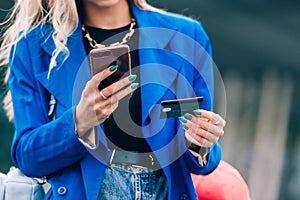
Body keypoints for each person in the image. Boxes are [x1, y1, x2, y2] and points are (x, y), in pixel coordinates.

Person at [0, 0, 226, 199]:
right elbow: (28, 156)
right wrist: (79, 121)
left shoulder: (187, 35)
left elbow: (203, 158)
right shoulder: (32, 45)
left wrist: (200, 142)